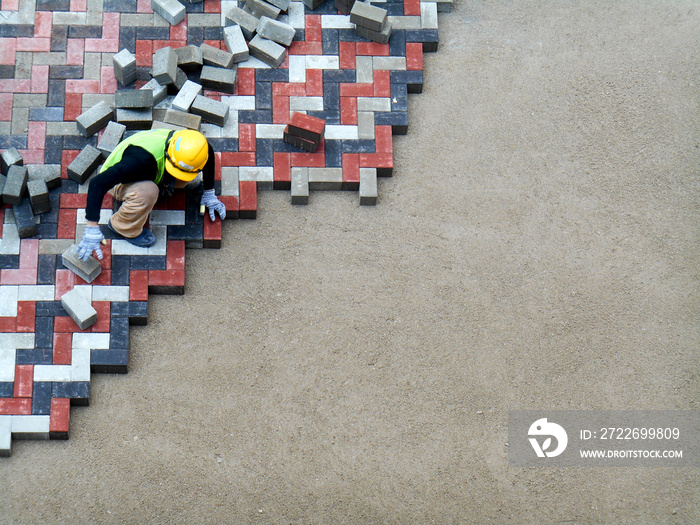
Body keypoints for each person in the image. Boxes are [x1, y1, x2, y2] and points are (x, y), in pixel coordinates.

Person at [76, 129, 226, 261]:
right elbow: (97, 183)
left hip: (154, 166)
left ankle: (167, 182)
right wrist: (91, 227)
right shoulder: (138, 162)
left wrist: (209, 192)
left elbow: (208, 153)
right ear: (168, 154)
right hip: (122, 179)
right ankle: (123, 227)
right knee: (149, 192)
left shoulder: (192, 147)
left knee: (190, 175)